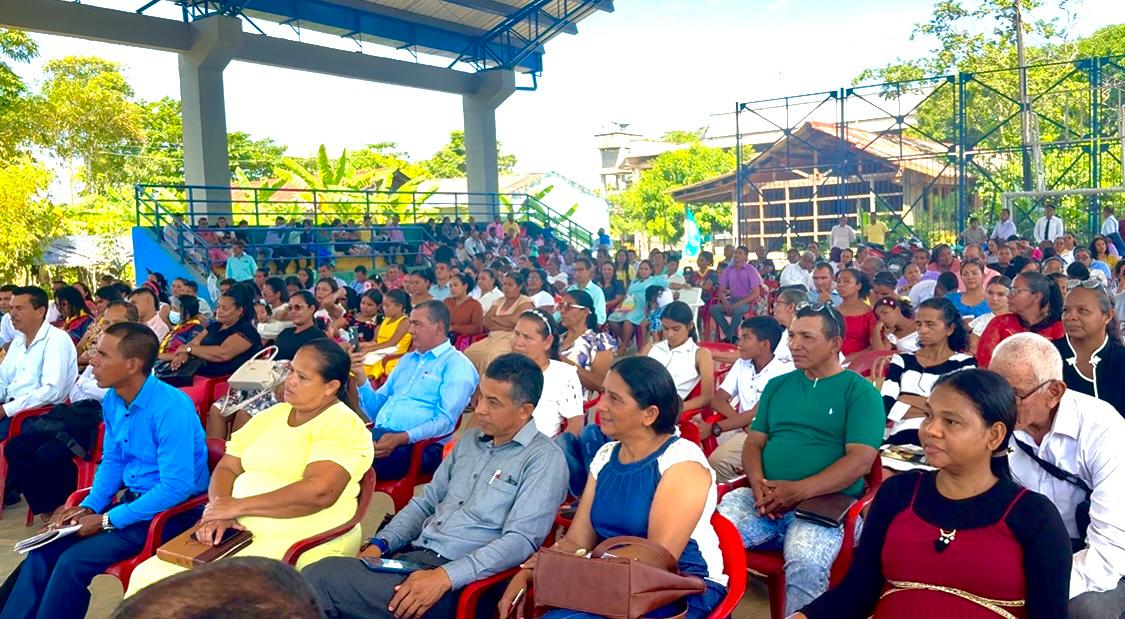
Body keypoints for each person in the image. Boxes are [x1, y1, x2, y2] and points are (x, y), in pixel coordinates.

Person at [795, 368, 1072, 619]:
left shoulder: (1034, 516)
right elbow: (858, 592)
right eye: (929, 415)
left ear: (994, 435)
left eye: (951, 422)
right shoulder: (898, 494)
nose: (930, 430)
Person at [308, 353, 567, 619]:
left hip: (463, 583)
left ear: (525, 410)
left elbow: (521, 540)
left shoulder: (544, 459)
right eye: (480, 397)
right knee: (325, 583)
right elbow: (425, 503)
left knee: (320, 579)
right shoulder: (470, 442)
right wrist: (380, 544)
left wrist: (446, 577)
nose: (478, 410)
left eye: (493, 402)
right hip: (414, 560)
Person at [126, 339, 374, 595]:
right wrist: (221, 510)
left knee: (200, 595)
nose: (290, 381)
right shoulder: (270, 417)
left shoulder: (341, 424)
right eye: (290, 371)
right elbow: (227, 467)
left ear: (330, 387)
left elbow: (321, 491)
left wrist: (238, 505)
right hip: (239, 525)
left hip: (303, 532)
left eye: (302, 377)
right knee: (147, 576)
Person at [0, 322, 209, 619]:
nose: (91, 360)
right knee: (44, 550)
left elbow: (176, 487)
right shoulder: (113, 399)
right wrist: (88, 507)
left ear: (132, 365)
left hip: (172, 514)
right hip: (132, 504)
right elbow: (113, 461)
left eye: (102, 355)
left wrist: (107, 520)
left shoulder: (171, 407)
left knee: (72, 561)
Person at [499, 356, 729, 619]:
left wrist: (564, 566)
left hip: (682, 587)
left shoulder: (682, 463)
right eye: (603, 394)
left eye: (615, 399)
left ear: (649, 414)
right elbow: (577, 540)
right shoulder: (607, 455)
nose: (601, 406)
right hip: (615, 581)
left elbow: (658, 558)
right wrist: (529, 571)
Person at [716, 304, 884, 615]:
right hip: (762, 500)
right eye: (792, 335)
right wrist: (757, 486)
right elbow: (754, 443)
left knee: (806, 562)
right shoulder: (779, 386)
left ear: (835, 344)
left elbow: (861, 461)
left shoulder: (859, 393)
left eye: (807, 337)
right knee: (706, 539)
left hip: (824, 506)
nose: (794, 344)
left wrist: (798, 491)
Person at [989, 334, 1125, 618]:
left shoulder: (1103, 429)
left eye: (1014, 394)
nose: (999, 403)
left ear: (1053, 392)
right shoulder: (993, 422)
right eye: (994, 388)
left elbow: (1109, 551)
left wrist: (1037, 587)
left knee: (1082, 611)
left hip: (1094, 549)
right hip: (1027, 546)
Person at [3, 301, 137, 517]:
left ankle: (63, 508)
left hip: (97, 420)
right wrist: (87, 385)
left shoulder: (137, 358)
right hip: (77, 412)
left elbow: (111, 391)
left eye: (117, 323)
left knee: (48, 453)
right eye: (107, 322)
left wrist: (87, 385)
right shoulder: (102, 352)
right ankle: (48, 510)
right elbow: (77, 389)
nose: (109, 328)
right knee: (17, 446)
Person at [358, 300, 478, 480]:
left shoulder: (457, 366)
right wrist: (360, 378)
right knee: (327, 448)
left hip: (421, 447)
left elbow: (446, 421)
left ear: (438, 328)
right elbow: (375, 411)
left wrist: (403, 437)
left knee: (343, 464)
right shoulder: (407, 360)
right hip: (382, 437)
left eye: (417, 324)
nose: (410, 330)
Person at [700, 317, 792, 482]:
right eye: (740, 337)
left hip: (767, 433)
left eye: (746, 338)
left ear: (765, 344)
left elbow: (756, 413)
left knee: (716, 462)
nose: (739, 343)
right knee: (696, 452)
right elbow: (718, 399)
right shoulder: (742, 363)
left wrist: (715, 427)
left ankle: (737, 488)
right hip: (743, 426)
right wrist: (741, 423)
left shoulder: (783, 372)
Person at [881, 298, 976, 446]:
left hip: (942, 440)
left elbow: (961, 409)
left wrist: (906, 399)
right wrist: (939, 409)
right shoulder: (902, 360)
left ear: (949, 329)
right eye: (919, 324)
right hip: (901, 438)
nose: (922, 330)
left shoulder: (964, 364)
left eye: (930, 324)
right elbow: (886, 406)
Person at [111, 557, 322, 619]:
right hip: (229, 520)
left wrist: (108, 520)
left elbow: (321, 491)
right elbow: (225, 469)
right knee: (144, 571)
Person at [0, 286, 77, 438]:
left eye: (19, 308)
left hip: (38, 416)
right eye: (11, 309)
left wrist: (6, 409)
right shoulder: (18, 341)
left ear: (40, 311)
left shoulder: (57, 340)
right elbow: (3, 381)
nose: (12, 314)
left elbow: (52, 391)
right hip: (12, 410)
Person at [1052, 281, 1125, 416]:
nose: (1070, 317)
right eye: (1066, 310)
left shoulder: (1121, 358)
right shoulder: (1048, 355)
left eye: (1082, 310)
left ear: (1108, 316)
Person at [511, 309, 583, 438]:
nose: (518, 342)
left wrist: (553, 454)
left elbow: (576, 423)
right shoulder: (504, 368)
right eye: (516, 334)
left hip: (540, 452)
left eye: (527, 337)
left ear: (547, 342)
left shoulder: (563, 375)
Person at [166, 287, 263, 379]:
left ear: (239, 311)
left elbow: (222, 353)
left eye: (224, 308)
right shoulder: (215, 326)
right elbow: (194, 342)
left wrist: (189, 349)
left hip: (221, 381)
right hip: (196, 373)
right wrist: (184, 354)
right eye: (218, 307)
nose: (219, 311)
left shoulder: (246, 330)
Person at [976, 272, 1064, 367]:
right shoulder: (999, 324)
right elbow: (985, 363)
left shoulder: (1058, 329)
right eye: (1010, 290)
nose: (1009, 296)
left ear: (1037, 296)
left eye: (1015, 290)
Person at [642, 301, 714, 412]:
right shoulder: (651, 348)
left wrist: (675, 410)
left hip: (666, 408)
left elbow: (707, 397)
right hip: (640, 400)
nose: (670, 334)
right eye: (665, 328)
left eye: (676, 329)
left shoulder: (699, 354)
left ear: (689, 325)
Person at [464, 272, 534, 375]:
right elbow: (486, 321)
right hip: (491, 337)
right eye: (504, 284)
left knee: (491, 356)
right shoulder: (499, 300)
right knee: (469, 352)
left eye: (510, 285)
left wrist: (495, 318)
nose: (506, 288)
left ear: (519, 287)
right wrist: (507, 324)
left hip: (510, 339)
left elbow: (516, 321)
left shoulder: (525, 302)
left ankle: (486, 388)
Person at [558, 289, 617, 400]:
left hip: (574, 410)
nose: (562, 311)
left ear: (585, 312)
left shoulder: (598, 342)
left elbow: (602, 384)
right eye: (560, 306)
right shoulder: (556, 340)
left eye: (568, 307)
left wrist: (561, 361)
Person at [709, 247, 762, 343]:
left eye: (740, 253)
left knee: (737, 310)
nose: (736, 255)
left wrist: (735, 305)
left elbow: (755, 294)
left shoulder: (751, 270)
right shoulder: (728, 270)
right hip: (732, 300)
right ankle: (732, 337)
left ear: (746, 256)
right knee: (714, 309)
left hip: (749, 302)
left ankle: (728, 338)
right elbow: (720, 291)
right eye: (735, 252)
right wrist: (726, 304)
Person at [361, 289, 412, 381]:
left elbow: (391, 343)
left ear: (399, 306)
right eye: (383, 305)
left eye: (388, 306)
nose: (384, 308)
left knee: (365, 362)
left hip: (393, 353)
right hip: (380, 350)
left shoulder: (404, 322)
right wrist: (363, 345)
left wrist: (368, 349)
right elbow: (377, 341)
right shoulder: (385, 320)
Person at [835, 268, 881, 358]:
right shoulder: (834, 311)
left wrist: (852, 358)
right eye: (838, 281)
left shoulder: (869, 313)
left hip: (861, 364)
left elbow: (875, 345)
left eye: (846, 281)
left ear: (858, 286)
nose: (840, 285)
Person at [968, 276, 1011, 355]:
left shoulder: (1018, 320)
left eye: (1001, 294)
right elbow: (971, 349)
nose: (994, 298)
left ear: (1010, 296)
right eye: (990, 293)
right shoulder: (983, 319)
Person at [567, 257, 606, 326]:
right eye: (575, 270)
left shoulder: (596, 291)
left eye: (580, 270)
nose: (577, 273)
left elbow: (600, 317)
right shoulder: (571, 290)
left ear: (589, 272)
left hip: (587, 327)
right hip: (569, 325)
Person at [444, 273, 483, 337]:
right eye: (450, 286)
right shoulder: (446, 302)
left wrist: (453, 328)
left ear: (465, 286)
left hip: (464, 342)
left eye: (455, 285)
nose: (452, 288)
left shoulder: (475, 305)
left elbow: (477, 328)